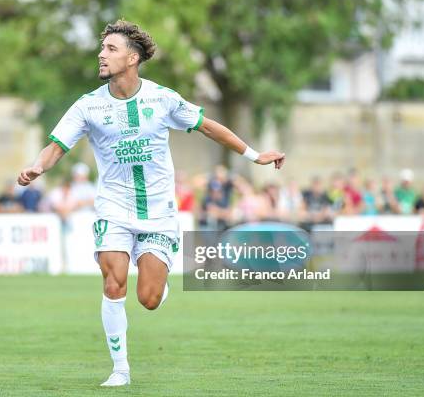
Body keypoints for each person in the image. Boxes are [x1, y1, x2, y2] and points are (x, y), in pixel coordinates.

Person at [16, 20, 285, 387]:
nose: (101, 54)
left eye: (110, 49)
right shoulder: (88, 107)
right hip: (112, 207)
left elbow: (209, 126)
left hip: (159, 212)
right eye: (102, 48)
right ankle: (120, 369)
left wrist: (255, 156)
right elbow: (56, 147)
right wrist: (36, 166)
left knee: (149, 298)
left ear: (133, 57)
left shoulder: (163, 99)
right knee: (114, 284)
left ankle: (157, 280)